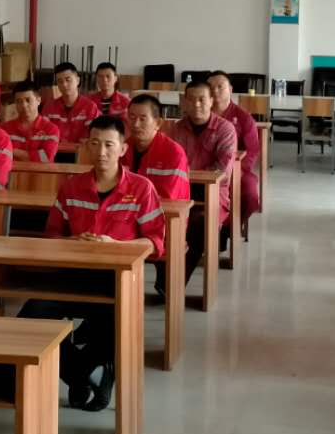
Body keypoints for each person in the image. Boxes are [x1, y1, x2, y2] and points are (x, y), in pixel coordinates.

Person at [19, 117, 164, 412]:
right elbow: (52, 235)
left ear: (123, 149)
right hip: (72, 276)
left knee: (113, 318)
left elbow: (155, 243)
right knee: (31, 317)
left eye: (109, 145)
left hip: (116, 280)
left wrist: (117, 246)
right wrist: (73, 241)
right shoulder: (72, 187)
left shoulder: (142, 188)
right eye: (95, 144)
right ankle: (85, 374)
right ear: (86, 146)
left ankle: (86, 373)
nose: (101, 152)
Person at [168, 79, 237, 284]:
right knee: (167, 219)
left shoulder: (225, 129)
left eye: (202, 99)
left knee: (199, 222)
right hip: (182, 191)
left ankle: (176, 281)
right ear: (184, 102)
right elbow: (170, 164)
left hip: (213, 194)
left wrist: (188, 174)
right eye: (191, 99)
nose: (196, 104)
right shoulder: (176, 129)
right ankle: (166, 277)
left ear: (211, 101)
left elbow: (222, 170)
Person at [206, 69, 262, 229]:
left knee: (250, 195)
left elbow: (252, 151)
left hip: (237, 170)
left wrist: (234, 171)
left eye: (220, 86)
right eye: (211, 87)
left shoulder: (244, 118)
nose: (215, 90)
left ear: (230, 89)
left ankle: (231, 228)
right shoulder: (202, 115)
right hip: (206, 168)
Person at [122, 94, 190, 202]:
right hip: (125, 209)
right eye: (132, 117)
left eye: (142, 119)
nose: (136, 124)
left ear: (158, 123)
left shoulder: (174, 153)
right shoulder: (121, 149)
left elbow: (168, 198)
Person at [3, 80, 60, 163]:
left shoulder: (51, 130)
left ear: (38, 100)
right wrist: (35, 155)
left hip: (41, 172)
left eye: (28, 100)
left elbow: (46, 158)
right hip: (13, 171)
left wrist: (13, 151)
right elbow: (2, 157)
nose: (24, 105)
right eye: (19, 101)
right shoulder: (5, 129)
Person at [45, 61, 99, 148]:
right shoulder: (49, 107)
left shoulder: (90, 107)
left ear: (77, 80)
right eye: (60, 81)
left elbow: (91, 138)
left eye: (68, 80)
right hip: (56, 152)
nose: (64, 84)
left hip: (82, 152)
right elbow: (44, 136)